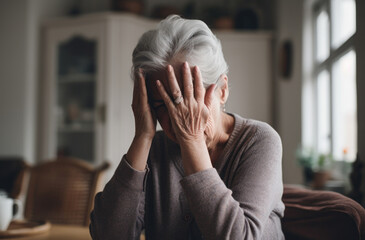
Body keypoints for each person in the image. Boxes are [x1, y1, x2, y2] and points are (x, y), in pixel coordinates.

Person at [90, 15, 284, 240]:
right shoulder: (155, 150)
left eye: (186, 98)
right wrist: (142, 137)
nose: (176, 117)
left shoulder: (259, 140)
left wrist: (192, 141)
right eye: (161, 104)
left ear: (222, 90)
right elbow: (107, 236)